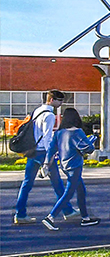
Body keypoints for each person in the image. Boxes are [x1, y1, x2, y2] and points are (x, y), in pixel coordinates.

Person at [13, 90, 80, 225]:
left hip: (33, 151)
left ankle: (20, 213)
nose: (61, 103)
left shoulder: (37, 111)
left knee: (27, 183)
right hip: (44, 152)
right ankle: (67, 211)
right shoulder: (49, 115)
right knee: (57, 184)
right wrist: (50, 156)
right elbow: (48, 136)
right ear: (51, 100)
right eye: (59, 100)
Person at [40, 108, 100, 230]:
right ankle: (50, 217)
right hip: (75, 165)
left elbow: (51, 149)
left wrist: (46, 165)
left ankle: (86, 218)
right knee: (69, 192)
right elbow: (89, 148)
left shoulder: (59, 133)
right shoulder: (78, 132)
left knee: (81, 190)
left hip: (64, 165)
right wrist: (92, 140)